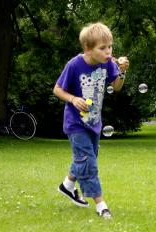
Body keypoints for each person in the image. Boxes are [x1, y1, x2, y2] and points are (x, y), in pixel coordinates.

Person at [53, 22, 129, 219]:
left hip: (94, 122)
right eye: (102, 48)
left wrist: (122, 71)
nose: (108, 51)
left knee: (85, 159)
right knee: (88, 162)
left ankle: (67, 185)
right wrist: (73, 99)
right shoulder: (74, 65)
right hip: (75, 123)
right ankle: (101, 205)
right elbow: (57, 89)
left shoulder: (108, 64)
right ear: (88, 48)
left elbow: (117, 86)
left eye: (110, 46)